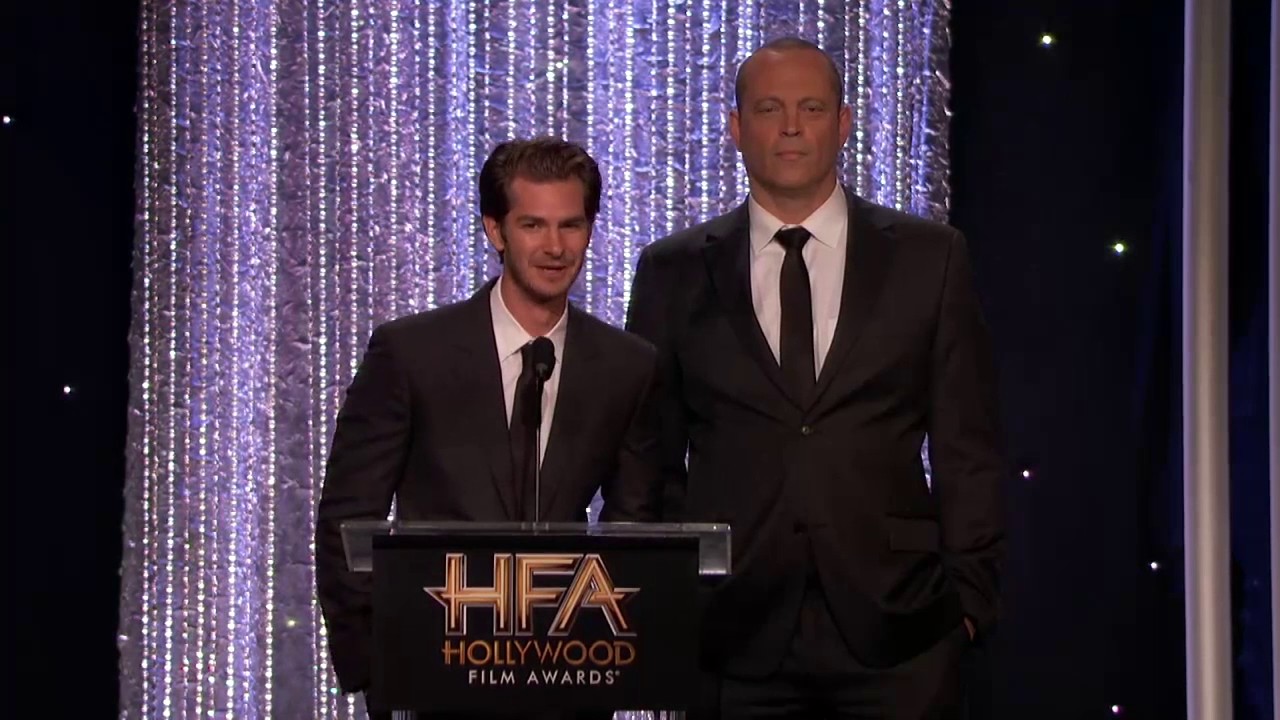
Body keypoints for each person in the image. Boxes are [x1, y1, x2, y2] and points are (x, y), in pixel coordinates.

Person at [625, 37, 1006, 719]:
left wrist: (969, 603)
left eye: (811, 106)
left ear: (845, 122)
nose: (792, 126)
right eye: (770, 108)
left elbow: (967, 445)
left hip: (901, 631)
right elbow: (646, 455)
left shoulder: (929, 258)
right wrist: (666, 598)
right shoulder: (672, 269)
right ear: (737, 128)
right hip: (729, 637)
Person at [316, 137, 662, 718]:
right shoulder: (411, 354)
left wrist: (617, 660)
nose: (554, 247)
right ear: (495, 231)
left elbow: (636, 526)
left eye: (570, 226)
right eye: (532, 225)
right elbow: (349, 517)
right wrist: (380, 664)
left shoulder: (627, 366)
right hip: (431, 675)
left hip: (569, 680)